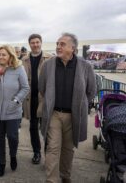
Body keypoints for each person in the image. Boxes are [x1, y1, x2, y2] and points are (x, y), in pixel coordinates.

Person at [39, 33, 96, 183]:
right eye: (58, 43)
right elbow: (42, 88)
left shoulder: (85, 66)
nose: (58, 47)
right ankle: (51, 179)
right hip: (54, 114)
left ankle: (65, 176)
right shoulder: (48, 65)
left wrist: (80, 104)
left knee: (68, 149)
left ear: (73, 48)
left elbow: (91, 91)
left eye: (62, 44)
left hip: (73, 116)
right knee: (52, 147)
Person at [0, 45, 30, 177]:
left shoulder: (18, 68)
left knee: (12, 136)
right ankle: (2, 163)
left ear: (10, 55)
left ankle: (13, 156)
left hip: (13, 111)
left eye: (4, 54)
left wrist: (16, 101)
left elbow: (25, 88)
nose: (0, 57)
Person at [22, 34, 52, 165]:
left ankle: (49, 154)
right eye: (32, 43)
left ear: (41, 43)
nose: (35, 45)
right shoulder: (24, 59)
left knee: (46, 128)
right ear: (29, 44)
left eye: (37, 42)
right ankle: (36, 152)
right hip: (30, 99)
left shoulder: (50, 58)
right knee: (33, 127)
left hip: (45, 99)